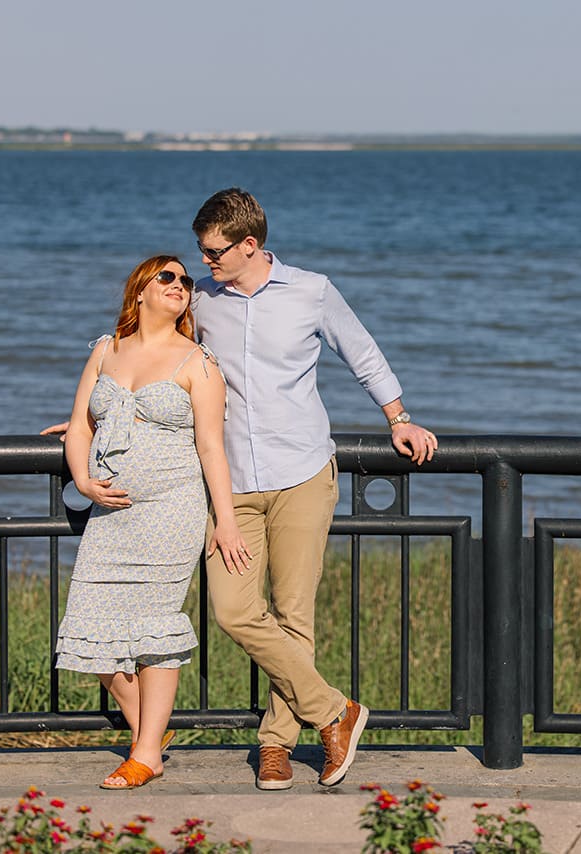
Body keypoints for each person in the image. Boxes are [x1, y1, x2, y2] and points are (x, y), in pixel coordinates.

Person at [191, 188, 438, 790]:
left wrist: (398, 418)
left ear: (250, 245)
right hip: (232, 486)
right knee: (233, 609)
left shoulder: (311, 290)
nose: (206, 262)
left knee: (294, 615)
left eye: (214, 251)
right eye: (202, 251)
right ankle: (336, 712)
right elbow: (154, 356)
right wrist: (98, 414)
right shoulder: (199, 300)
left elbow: (363, 353)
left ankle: (276, 743)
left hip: (302, 473)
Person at [54, 255, 249, 790]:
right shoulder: (105, 350)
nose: (181, 285)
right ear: (139, 290)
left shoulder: (198, 362)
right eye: (169, 277)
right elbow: (78, 426)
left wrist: (225, 522)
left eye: (187, 281)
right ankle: (151, 734)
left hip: (172, 510)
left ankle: (145, 753)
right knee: (90, 632)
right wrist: (85, 479)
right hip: (110, 514)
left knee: (155, 631)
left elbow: (212, 447)